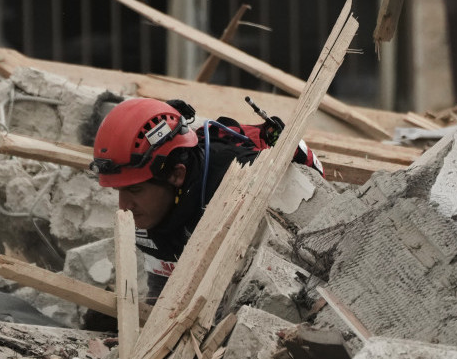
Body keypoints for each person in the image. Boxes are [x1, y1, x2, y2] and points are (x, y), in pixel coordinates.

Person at [90, 97, 323, 301]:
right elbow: (162, 295)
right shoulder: (148, 213)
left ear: (176, 174)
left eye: (135, 191)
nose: (124, 207)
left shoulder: (243, 180)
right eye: (119, 191)